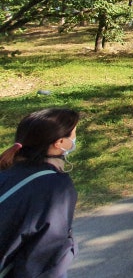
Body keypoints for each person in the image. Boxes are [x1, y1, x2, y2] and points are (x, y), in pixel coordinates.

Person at [0, 108, 80, 278]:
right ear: (59, 143)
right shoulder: (54, 186)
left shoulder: (5, 172)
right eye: (73, 135)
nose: (75, 139)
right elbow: (45, 254)